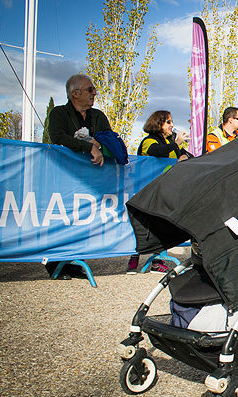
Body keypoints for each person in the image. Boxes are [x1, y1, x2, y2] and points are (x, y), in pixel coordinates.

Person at [45, 74, 113, 279]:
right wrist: (88, 146)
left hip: (90, 179)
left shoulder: (98, 116)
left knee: (83, 218)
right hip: (63, 175)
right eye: (90, 89)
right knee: (61, 217)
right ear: (75, 93)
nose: (95, 93)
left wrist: (98, 145)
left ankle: (75, 260)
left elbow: (111, 139)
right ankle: (56, 263)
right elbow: (58, 137)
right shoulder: (59, 113)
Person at [128, 110, 190, 274]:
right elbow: (156, 152)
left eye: (172, 121)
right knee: (140, 225)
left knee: (160, 225)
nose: (172, 125)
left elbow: (186, 156)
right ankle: (133, 259)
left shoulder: (171, 143)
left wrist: (184, 156)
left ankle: (157, 261)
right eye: (168, 122)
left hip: (165, 191)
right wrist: (176, 144)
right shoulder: (149, 141)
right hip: (145, 190)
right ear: (158, 124)